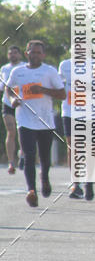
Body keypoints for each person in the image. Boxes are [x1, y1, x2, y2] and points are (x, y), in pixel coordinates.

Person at [7, 40, 65, 207]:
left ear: (43, 55)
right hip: (24, 120)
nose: (35, 55)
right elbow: (9, 88)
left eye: (39, 53)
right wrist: (13, 100)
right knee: (29, 154)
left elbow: (62, 94)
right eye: (33, 52)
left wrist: (43, 90)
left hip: (45, 121)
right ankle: (31, 190)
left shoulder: (49, 71)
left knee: (45, 158)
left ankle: (44, 178)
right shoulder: (18, 72)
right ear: (27, 53)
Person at [58, 53, 94, 200]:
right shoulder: (65, 65)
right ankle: (75, 184)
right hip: (69, 111)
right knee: (73, 147)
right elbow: (59, 86)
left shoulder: (94, 64)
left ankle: (89, 181)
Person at [1, 44, 22, 173]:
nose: (12, 55)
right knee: (11, 131)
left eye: (15, 53)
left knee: (22, 131)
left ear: (19, 54)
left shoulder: (24, 67)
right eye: (10, 53)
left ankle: (23, 155)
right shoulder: (4, 68)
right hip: (7, 103)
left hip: (22, 103)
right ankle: (11, 162)